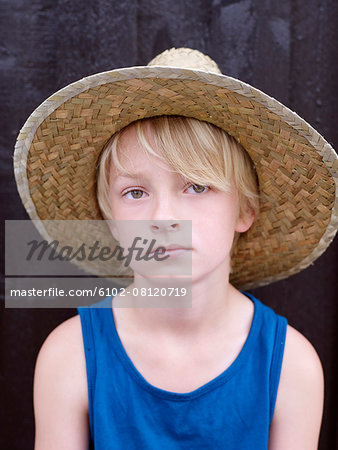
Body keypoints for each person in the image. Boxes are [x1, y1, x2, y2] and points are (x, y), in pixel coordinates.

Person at [13, 48, 337, 449]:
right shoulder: (70, 357)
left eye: (197, 186)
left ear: (245, 210)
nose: (163, 216)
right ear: (110, 219)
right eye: (135, 192)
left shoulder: (291, 367)